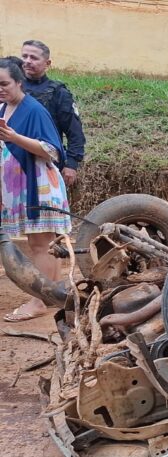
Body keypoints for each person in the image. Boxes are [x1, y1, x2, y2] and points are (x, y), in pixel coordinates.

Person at [0, 57, 72, 322]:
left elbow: (53, 150)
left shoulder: (33, 110)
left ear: (19, 82)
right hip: (16, 187)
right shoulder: (2, 109)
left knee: (40, 244)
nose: (0, 89)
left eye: (5, 83)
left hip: (38, 185)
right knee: (43, 244)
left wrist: (15, 137)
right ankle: (52, 295)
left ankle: (38, 302)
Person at [20, 40, 85, 187]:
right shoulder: (8, 88)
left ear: (47, 63)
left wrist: (71, 164)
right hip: (12, 160)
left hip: (47, 163)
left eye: (34, 58)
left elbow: (75, 132)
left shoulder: (59, 93)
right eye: (24, 56)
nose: (27, 61)